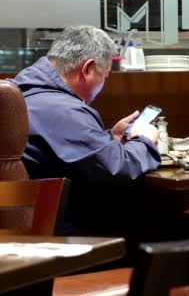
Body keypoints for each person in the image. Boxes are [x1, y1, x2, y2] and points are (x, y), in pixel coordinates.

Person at [10, 25, 160, 237]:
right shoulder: (62, 109)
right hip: (59, 239)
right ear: (87, 68)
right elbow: (118, 169)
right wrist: (144, 138)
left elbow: (59, 149)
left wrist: (109, 138)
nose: (102, 86)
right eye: (105, 76)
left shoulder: (27, 93)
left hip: (26, 229)